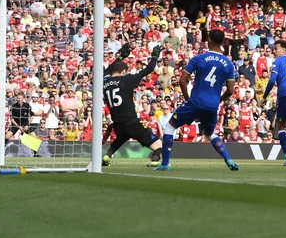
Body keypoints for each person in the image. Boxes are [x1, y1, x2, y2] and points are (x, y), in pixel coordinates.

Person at [157, 29, 238, 171]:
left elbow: (182, 81)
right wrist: (219, 99)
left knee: (170, 126)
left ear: (209, 41)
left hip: (196, 101)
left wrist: (188, 99)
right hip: (212, 105)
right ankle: (229, 160)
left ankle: (165, 164)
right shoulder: (228, 64)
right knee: (209, 133)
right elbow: (230, 90)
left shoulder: (198, 58)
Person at [102, 43, 164, 167]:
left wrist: (120, 57)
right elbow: (148, 69)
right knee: (159, 145)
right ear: (124, 71)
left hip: (118, 124)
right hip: (131, 122)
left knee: (121, 138)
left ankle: (107, 156)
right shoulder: (127, 79)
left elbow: (109, 69)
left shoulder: (104, 81)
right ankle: (155, 159)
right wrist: (155, 57)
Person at [262, 40, 286, 163]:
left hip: (284, 94)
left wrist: (264, 96)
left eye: (276, 49)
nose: (274, 51)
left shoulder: (278, 61)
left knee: (281, 125)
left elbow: (271, 80)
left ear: (284, 50)